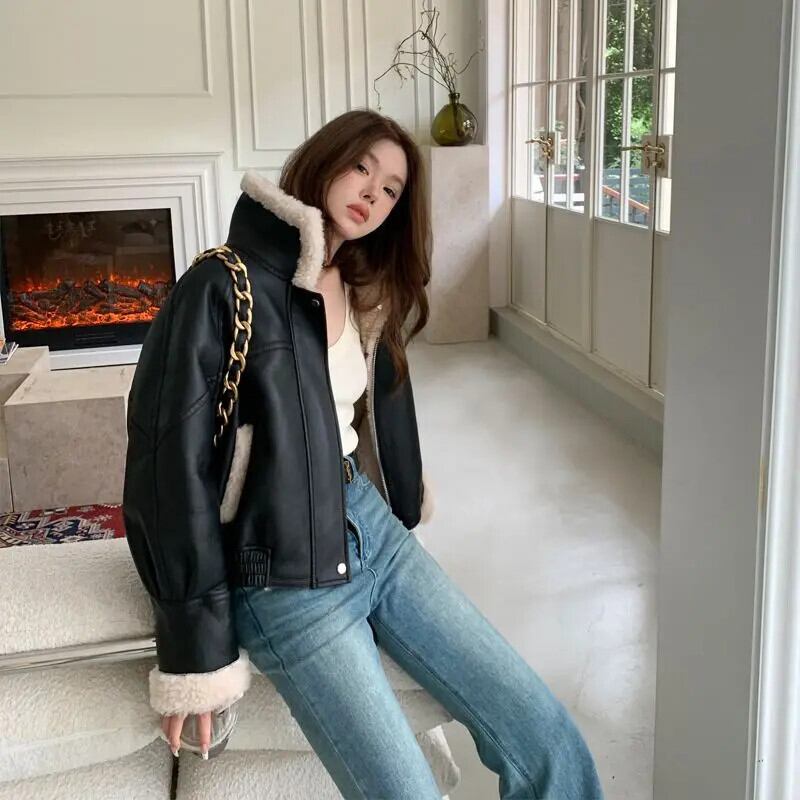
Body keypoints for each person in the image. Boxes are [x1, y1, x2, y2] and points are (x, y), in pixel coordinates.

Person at [122, 109, 604, 799]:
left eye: (392, 189)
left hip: (374, 532)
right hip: (287, 575)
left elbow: (377, 418)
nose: (372, 193)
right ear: (324, 160)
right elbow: (166, 470)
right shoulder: (223, 284)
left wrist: (400, 501)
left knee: (547, 738)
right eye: (361, 168)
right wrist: (194, 653)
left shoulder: (363, 289)